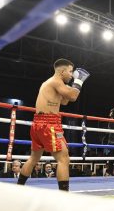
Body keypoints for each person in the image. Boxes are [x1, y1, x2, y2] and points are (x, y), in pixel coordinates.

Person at [16, 58, 90, 191]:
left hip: (38, 123)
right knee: (64, 158)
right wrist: (79, 81)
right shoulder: (56, 81)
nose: (72, 74)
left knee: (34, 158)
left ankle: (19, 187)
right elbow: (73, 97)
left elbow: (65, 102)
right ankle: (63, 195)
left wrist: (72, 85)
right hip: (49, 124)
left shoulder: (52, 83)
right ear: (62, 71)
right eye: (70, 71)